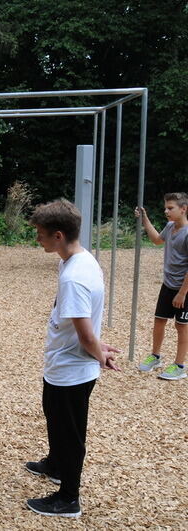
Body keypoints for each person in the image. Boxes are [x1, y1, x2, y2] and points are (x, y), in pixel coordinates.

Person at [24, 199, 120, 518]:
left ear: (59, 236)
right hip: (62, 364)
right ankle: (55, 464)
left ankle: (68, 499)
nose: (37, 238)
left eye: (40, 233)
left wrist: (100, 352)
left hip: (72, 369)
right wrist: (98, 349)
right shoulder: (76, 259)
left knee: (70, 432)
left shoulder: (74, 277)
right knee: (54, 417)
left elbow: (86, 334)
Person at [135, 192, 188, 380]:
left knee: (181, 327)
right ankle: (155, 356)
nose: (166, 211)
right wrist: (145, 220)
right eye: (166, 207)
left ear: (183, 209)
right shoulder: (170, 226)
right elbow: (157, 240)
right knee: (159, 321)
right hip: (168, 285)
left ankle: (180, 365)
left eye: (170, 208)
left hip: (184, 289)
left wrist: (182, 293)